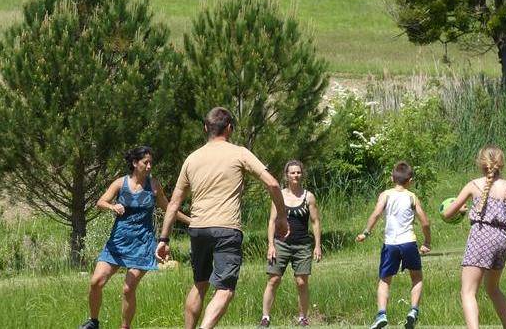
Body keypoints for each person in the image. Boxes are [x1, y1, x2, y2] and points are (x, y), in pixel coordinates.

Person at [156, 107, 290, 329]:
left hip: (198, 229)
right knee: (225, 290)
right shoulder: (239, 153)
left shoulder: (192, 158)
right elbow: (273, 183)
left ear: (205, 128)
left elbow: (173, 204)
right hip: (226, 229)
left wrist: (164, 239)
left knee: (199, 284)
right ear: (229, 128)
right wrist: (282, 217)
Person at [79, 146, 190, 329]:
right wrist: (112, 207)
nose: (149, 166)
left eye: (151, 163)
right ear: (134, 163)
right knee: (96, 282)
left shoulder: (154, 185)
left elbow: (169, 208)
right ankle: (93, 322)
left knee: (128, 288)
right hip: (118, 243)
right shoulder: (120, 183)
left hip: (142, 244)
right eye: (145, 162)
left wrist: (191, 221)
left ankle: (125, 327)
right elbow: (101, 202)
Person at [442, 145, 506, 329]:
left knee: (468, 292)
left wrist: (459, 209)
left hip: (480, 238)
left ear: (481, 164)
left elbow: (447, 214)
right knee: (493, 289)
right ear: (501, 164)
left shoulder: (473, 185)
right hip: (501, 240)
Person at [356, 161, 432, 329]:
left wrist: (365, 232)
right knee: (417, 277)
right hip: (409, 242)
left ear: (392, 178)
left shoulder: (386, 195)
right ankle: (413, 310)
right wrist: (427, 242)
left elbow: (376, 214)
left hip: (391, 244)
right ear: (410, 180)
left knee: (384, 280)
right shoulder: (412, 197)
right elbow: (425, 222)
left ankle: (382, 314)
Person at [260, 160, 323, 327]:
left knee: (302, 282)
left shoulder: (308, 197)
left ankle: (303, 318)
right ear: (286, 175)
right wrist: (271, 245)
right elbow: (272, 221)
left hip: (302, 245)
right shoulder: (278, 195)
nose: (295, 175)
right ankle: (265, 318)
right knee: (273, 280)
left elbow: (315, 221)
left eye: (298, 172)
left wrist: (317, 245)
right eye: (292, 172)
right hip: (281, 244)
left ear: (302, 174)